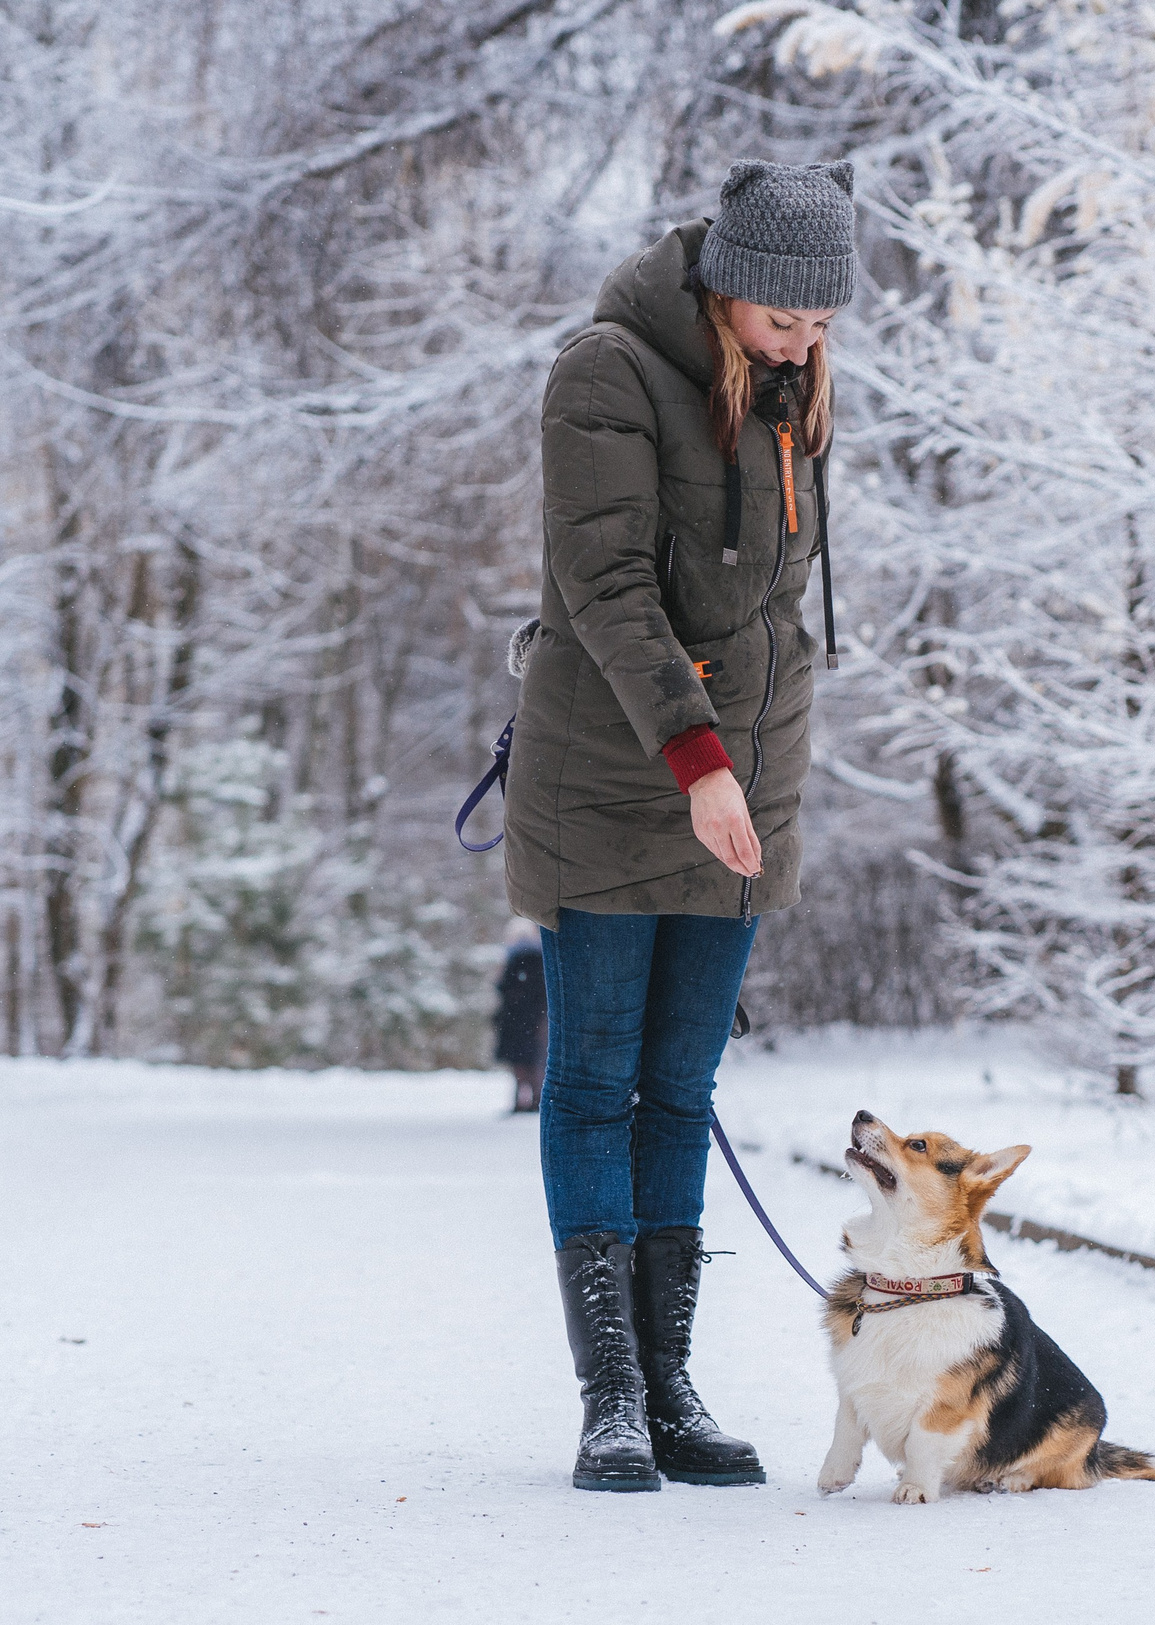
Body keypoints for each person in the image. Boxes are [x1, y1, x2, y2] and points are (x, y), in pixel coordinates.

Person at [501, 159, 853, 1492]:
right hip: (614, 772)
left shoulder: (788, 391)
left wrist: (751, 768)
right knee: (595, 1078)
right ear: (723, 288)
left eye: (822, 328)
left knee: (683, 1088)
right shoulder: (608, 371)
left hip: (742, 782)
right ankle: (612, 1399)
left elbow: (774, 605)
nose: (804, 346)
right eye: (783, 322)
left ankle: (675, 1381)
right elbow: (605, 585)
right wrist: (697, 760)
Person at [491, 919, 548, 1113]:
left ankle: (521, 1099)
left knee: (519, 1062)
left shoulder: (514, 958)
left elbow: (503, 987)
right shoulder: (542, 957)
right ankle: (535, 1098)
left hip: (515, 1019)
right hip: (538, 1018)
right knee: (536, 1059)